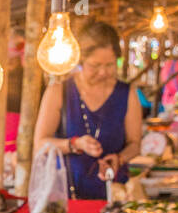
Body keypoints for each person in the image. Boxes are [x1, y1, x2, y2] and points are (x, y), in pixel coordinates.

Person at [33, 19, 142, 201]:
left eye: (109, 65)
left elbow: (135, 144)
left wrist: (119, 158)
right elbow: (40, 144)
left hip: (114, 193)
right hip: (66, 195)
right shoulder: (58, 91)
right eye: (95, 66)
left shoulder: (127, 93)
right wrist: (75, 144)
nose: (103, 73)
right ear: (81, 60)